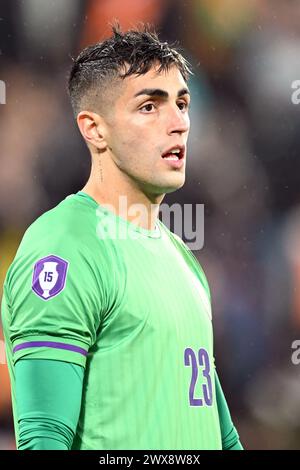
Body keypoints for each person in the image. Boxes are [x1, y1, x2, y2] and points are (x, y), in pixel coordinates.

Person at [1, 25, 242, 450]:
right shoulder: (65, 248)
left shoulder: (181, 257)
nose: (179, 123)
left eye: (182, 104)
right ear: (94, 129)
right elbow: (43, 438)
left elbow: (219, 433)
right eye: (150, 106)